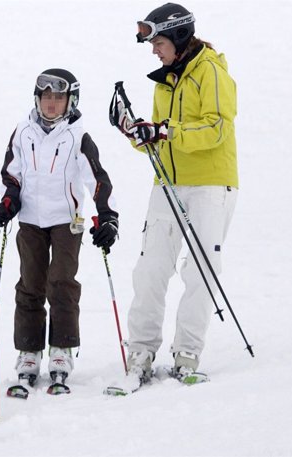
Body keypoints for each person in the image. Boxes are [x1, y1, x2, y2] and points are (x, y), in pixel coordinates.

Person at [115, 3, 238, 384]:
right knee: (151, 268)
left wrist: (166, 131)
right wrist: (139, 133)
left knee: (201, 269)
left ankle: (187, 352)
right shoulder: (163, 79)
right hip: (167, 183)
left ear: (180, 36)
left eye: (159, 42)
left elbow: (216, 129)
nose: (154, 50)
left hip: (210, 185)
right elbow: (160, 137)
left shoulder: (212, 72)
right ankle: (140, 351)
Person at [0, 68, 119, 386]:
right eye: (46, 96)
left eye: (58, 97)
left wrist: (107, 216)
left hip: (67, 220)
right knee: (30, 285)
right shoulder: (23, 132)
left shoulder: (78, 135)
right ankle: (29, 351)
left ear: (70, 101)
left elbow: (97, 178)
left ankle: (61, 348)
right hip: (31, 221)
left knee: (62, 282)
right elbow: (11, 172)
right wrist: (9, 199)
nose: (51, 103)